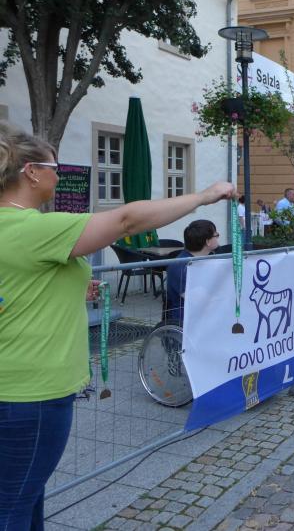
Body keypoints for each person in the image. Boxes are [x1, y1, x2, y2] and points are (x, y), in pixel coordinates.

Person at [0, 121, 234, 529]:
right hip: (32, 395)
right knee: (13, 509)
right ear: (31, 172)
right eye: (55, 167)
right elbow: (126, 221)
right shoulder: (33, 228)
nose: (60, 175)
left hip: (14, 385)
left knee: (24, 497)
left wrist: (68, 287)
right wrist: (205, 195)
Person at [165, 220, 220, 323]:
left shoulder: (199, 260)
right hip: (186, 321)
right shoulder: (181, 266)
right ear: (208, 242)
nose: (217, 237)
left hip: (200, 316)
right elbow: (201, 300)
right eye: (216, 235)